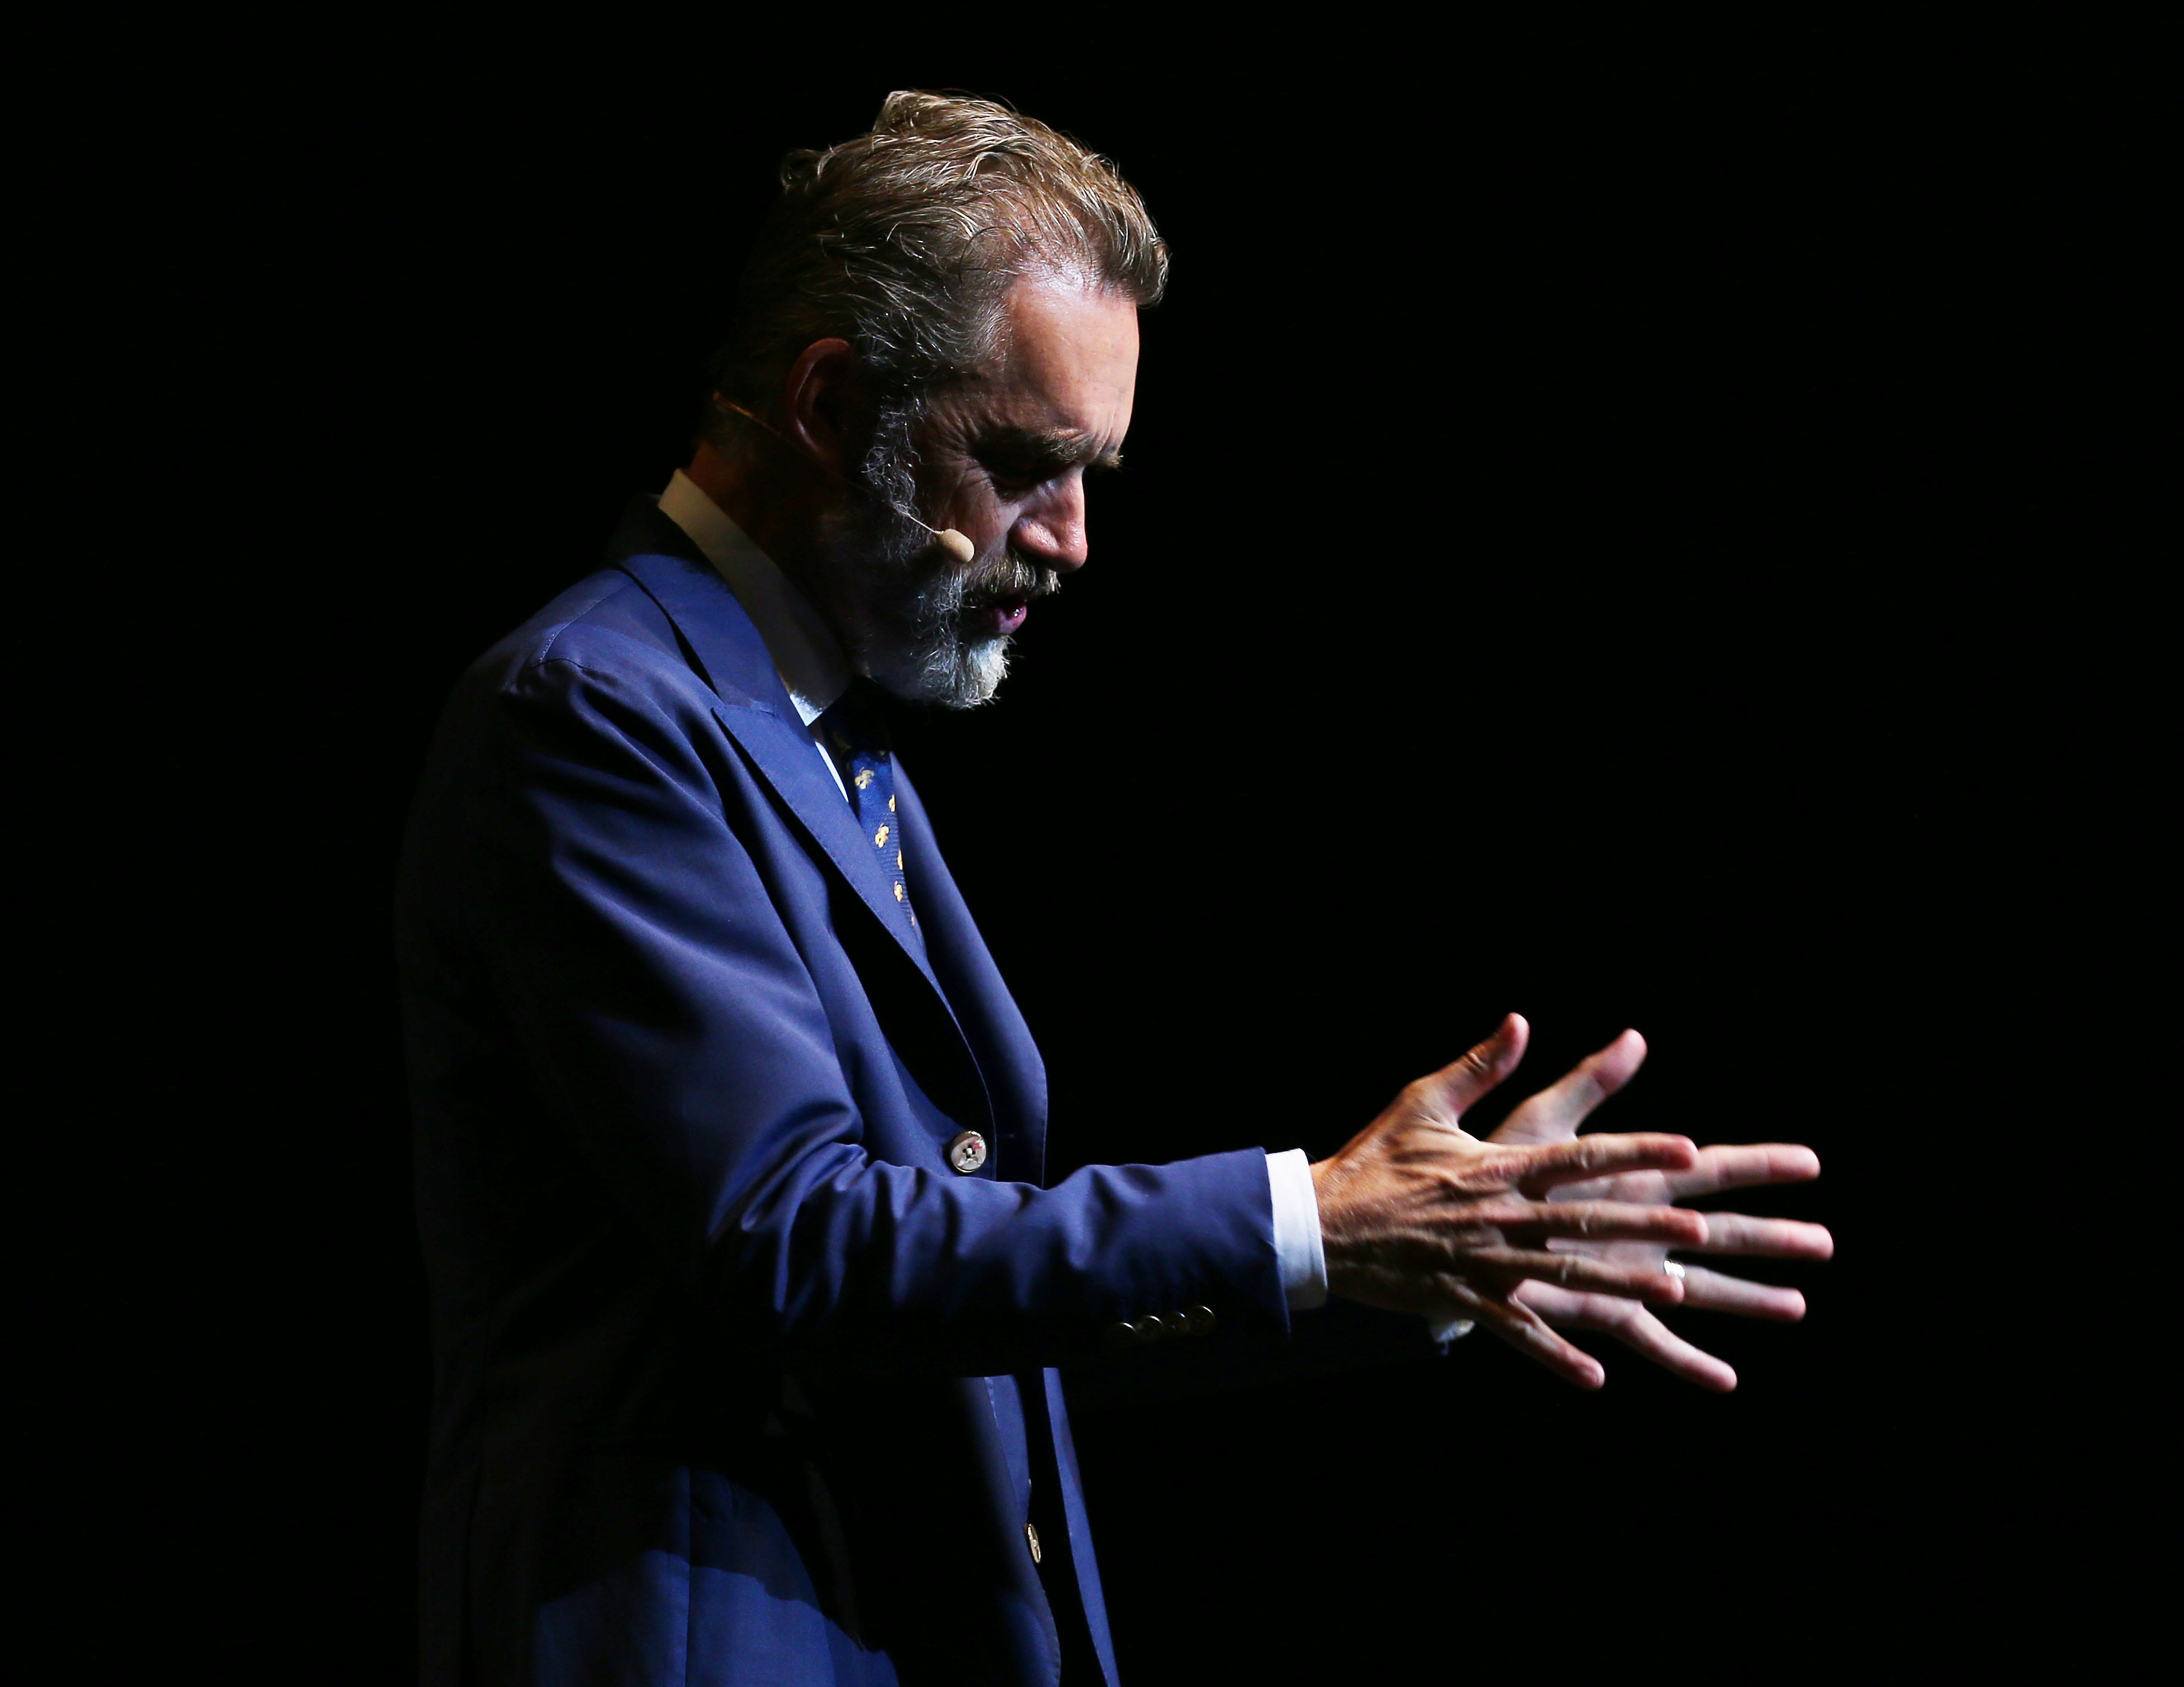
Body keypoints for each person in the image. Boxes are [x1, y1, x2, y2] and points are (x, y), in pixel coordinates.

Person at [396, 91, 1833, 1687]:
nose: (1074, 539)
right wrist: (1300, 1215)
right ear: (827, 402)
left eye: (1095, 473)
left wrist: (1399, 1255)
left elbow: (980, 1322)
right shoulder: (593, 710)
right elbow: (803, 1245)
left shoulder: (826, 727)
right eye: (1026, 464)